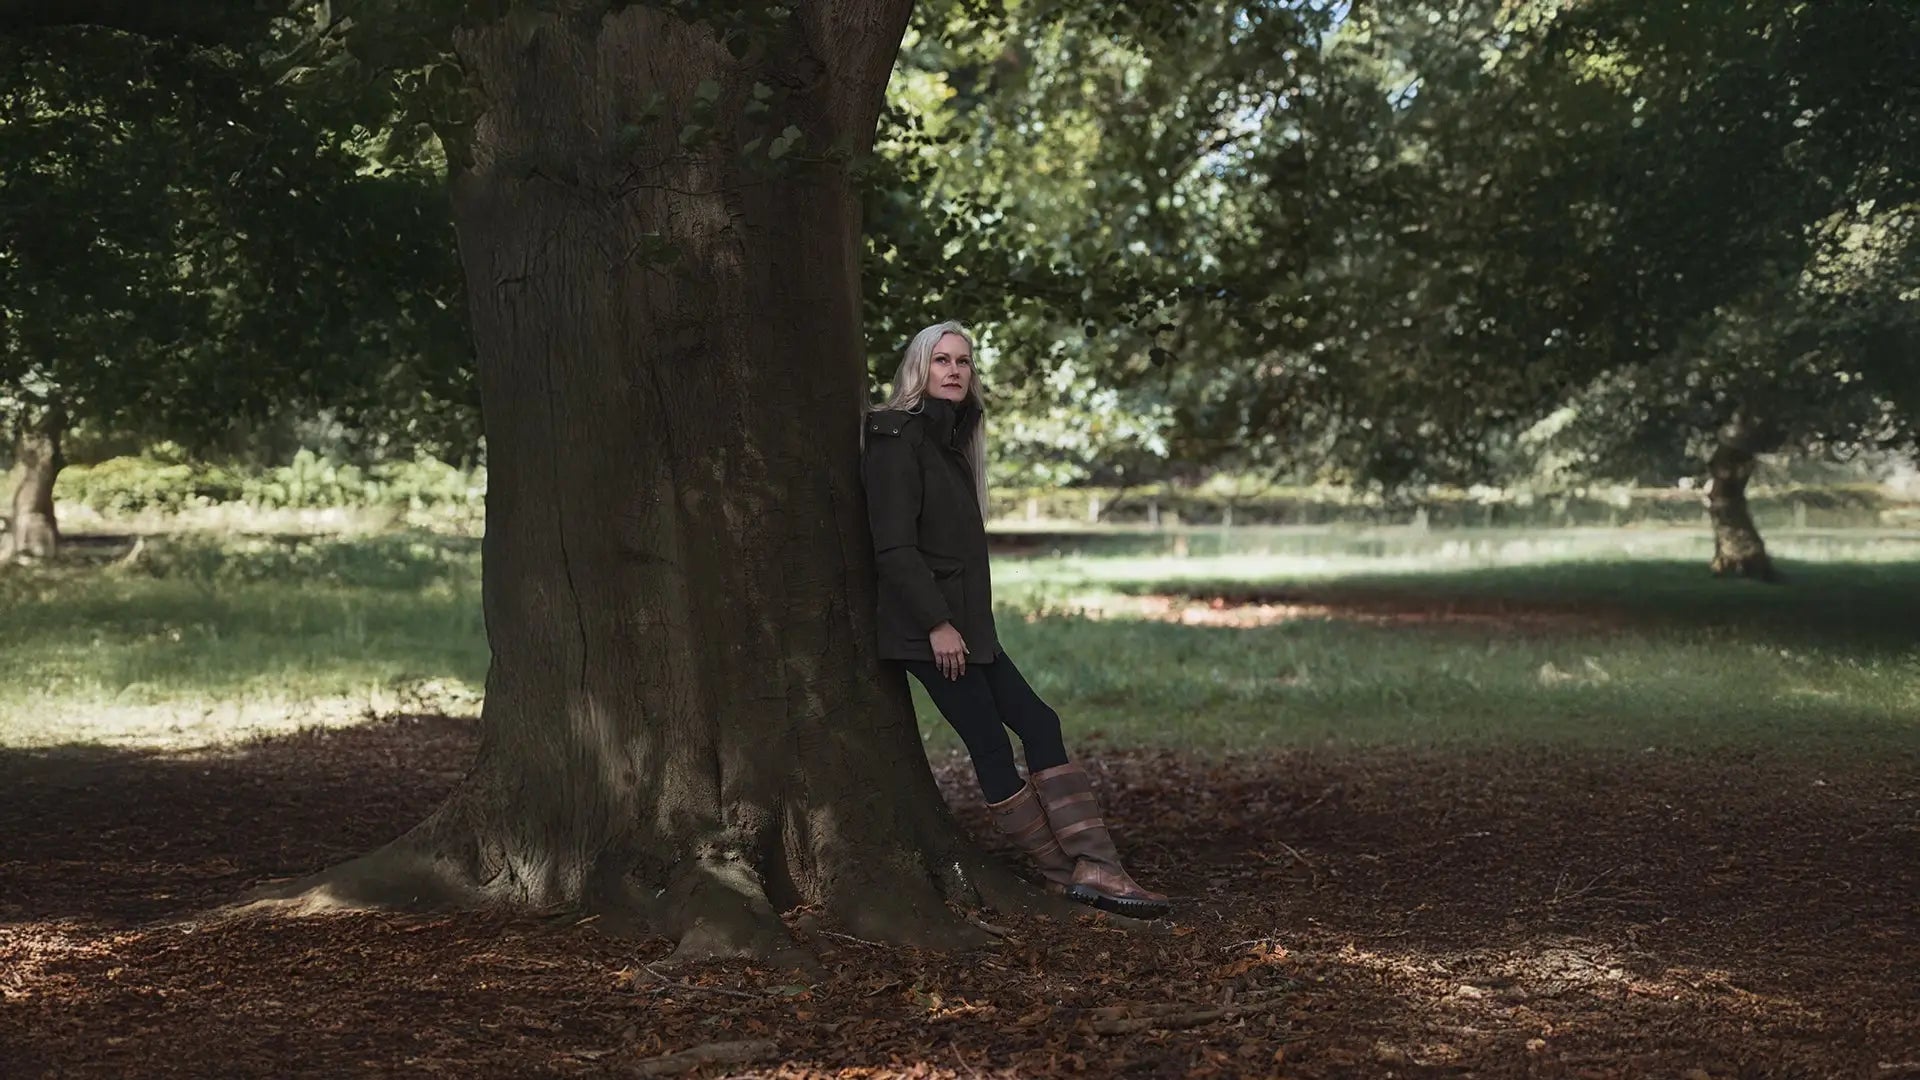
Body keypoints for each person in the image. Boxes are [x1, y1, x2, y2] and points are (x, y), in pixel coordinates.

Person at [860, 320, 1170, 919]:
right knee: (991, 746)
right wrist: (936, 625)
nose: (954, 370)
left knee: (1040, 722)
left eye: (964, 361)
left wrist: (965, 626)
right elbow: (894, 547)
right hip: (930, 634)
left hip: (969, 629)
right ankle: (1062, 873)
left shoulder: (951, 442)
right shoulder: (896, 440)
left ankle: (1095, 865)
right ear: (918, 368)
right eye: (941, 359)